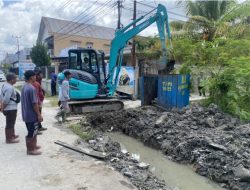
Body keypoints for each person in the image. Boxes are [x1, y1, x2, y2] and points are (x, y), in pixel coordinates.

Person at [21, 70, 43, 155]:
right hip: (31, 115)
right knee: (32, 132)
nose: (36, 77)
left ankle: (33, 146)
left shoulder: (24, 86)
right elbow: (34, 103)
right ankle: (30, 150)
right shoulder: (31, 88)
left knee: (33, 130)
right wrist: (39, 114)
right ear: (31, 77)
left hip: (26, 114)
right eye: (34, 76)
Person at [0, 73, 20, 144]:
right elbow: (6, 99)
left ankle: (12, 135)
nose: (16, 80)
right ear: (11, 80)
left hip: (10, 108)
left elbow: (1, 96)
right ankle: (9, 139)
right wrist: (2, 108)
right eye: (15, 79)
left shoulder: (5, 85)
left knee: (12, 123)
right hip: (10, 108)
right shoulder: (9, 88)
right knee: (10, 124)